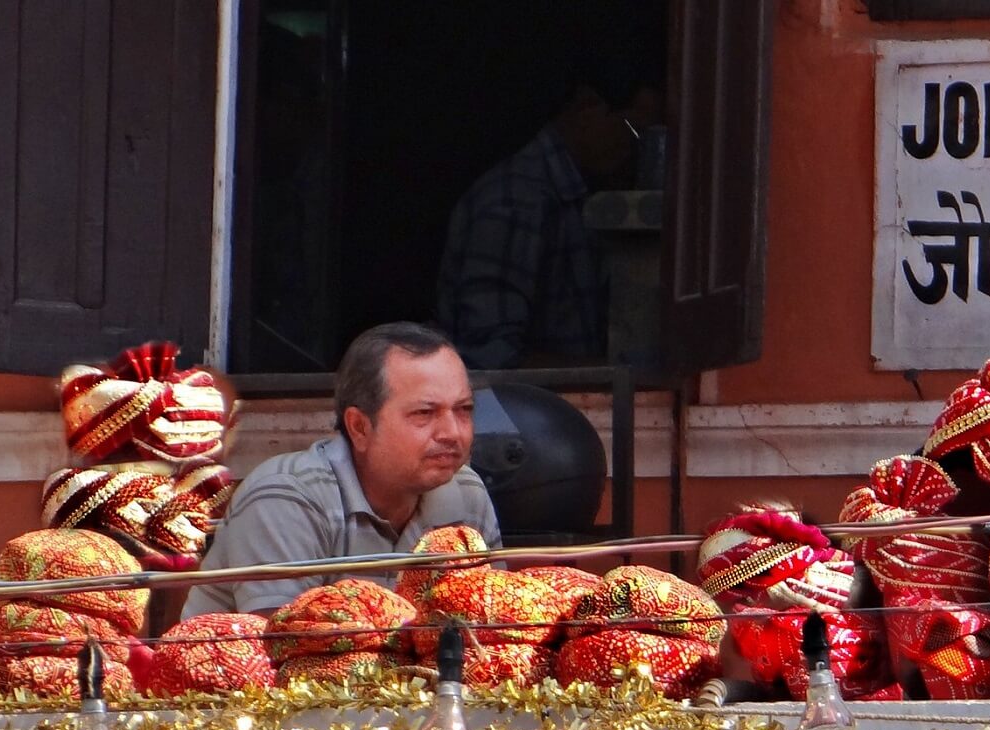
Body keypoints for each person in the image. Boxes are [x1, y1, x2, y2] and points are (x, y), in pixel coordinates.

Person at [182, 322, 500, 617]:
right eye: (424, 413)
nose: (452, 433)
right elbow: (284, 650)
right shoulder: (286, 496)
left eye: (464, 410)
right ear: (359, 427)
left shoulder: (466, 493)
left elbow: (495, 624)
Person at [435, 69, 661, 369]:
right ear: (586, 106)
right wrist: (614, 377)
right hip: (515, 412)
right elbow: (490, 358)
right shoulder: (515, 200)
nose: (635, 151)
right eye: (635, 131)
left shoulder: (581, 195)